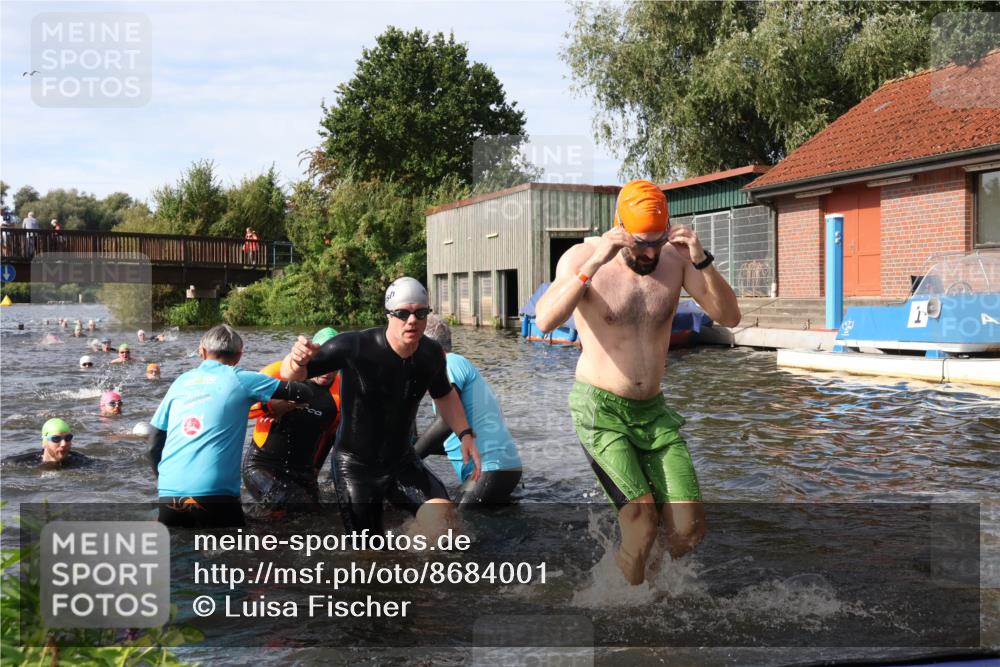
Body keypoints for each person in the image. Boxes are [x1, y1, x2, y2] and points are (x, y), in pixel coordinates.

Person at [534, 179, 741, 586]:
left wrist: (701, 261)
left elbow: (730, 317)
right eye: (639, 243)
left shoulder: (676, 260)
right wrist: (591, 267)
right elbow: (545, 320)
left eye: (656, 241)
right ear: (619, 229)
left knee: (689, 530)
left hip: (654, 412)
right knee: (642, 524)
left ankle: (648, 588)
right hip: (601, 411)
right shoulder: (582, 256)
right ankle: (620, 604)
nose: (649, 253)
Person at [279, 277, 482, 537]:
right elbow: (290, 374)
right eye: (403, 313)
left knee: (446, 523)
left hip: (401, 461)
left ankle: (416, 561)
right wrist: (296, 360)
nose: (412, 320)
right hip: (355, 467)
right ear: (389, 315)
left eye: (420, 313)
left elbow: (444, 394)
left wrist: (465, 434)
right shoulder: (354, 346)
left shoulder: (430, 354)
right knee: (369, 552)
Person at [147, 324, 315, 528]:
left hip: (169, 493)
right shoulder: (242, 378)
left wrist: (167, 483)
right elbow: (304, 393)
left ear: (201, 351)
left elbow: (153, 445)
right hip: (215, 493)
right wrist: (270, 405)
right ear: (239, 356)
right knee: (233, 553)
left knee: (178, 552)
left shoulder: (180, 382)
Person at [415, 315, 523, 506]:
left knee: (453, 525)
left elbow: (446, 422)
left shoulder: (448, 364)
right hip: (504, 468)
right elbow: (456, 434)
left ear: (427, 347)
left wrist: (409, 457)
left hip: (489, 469)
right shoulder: (458, 364)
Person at [242, 327, 343, 516]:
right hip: (262, 465)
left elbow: (329, 437)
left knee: (316, 517)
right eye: (322, 360)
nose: (327, 371)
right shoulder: (280, 372)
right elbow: (242, 407)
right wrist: (270, 406)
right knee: (288, 503)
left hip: (302, 472)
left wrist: (314, 472)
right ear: (311, 355)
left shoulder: (340, 393)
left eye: (334, 364)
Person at [1, 418, 93, 469]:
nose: (64, 443)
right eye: (56, 439)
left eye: (68, 438)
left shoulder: (81, 461)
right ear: (45, 442)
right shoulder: (22, 462)